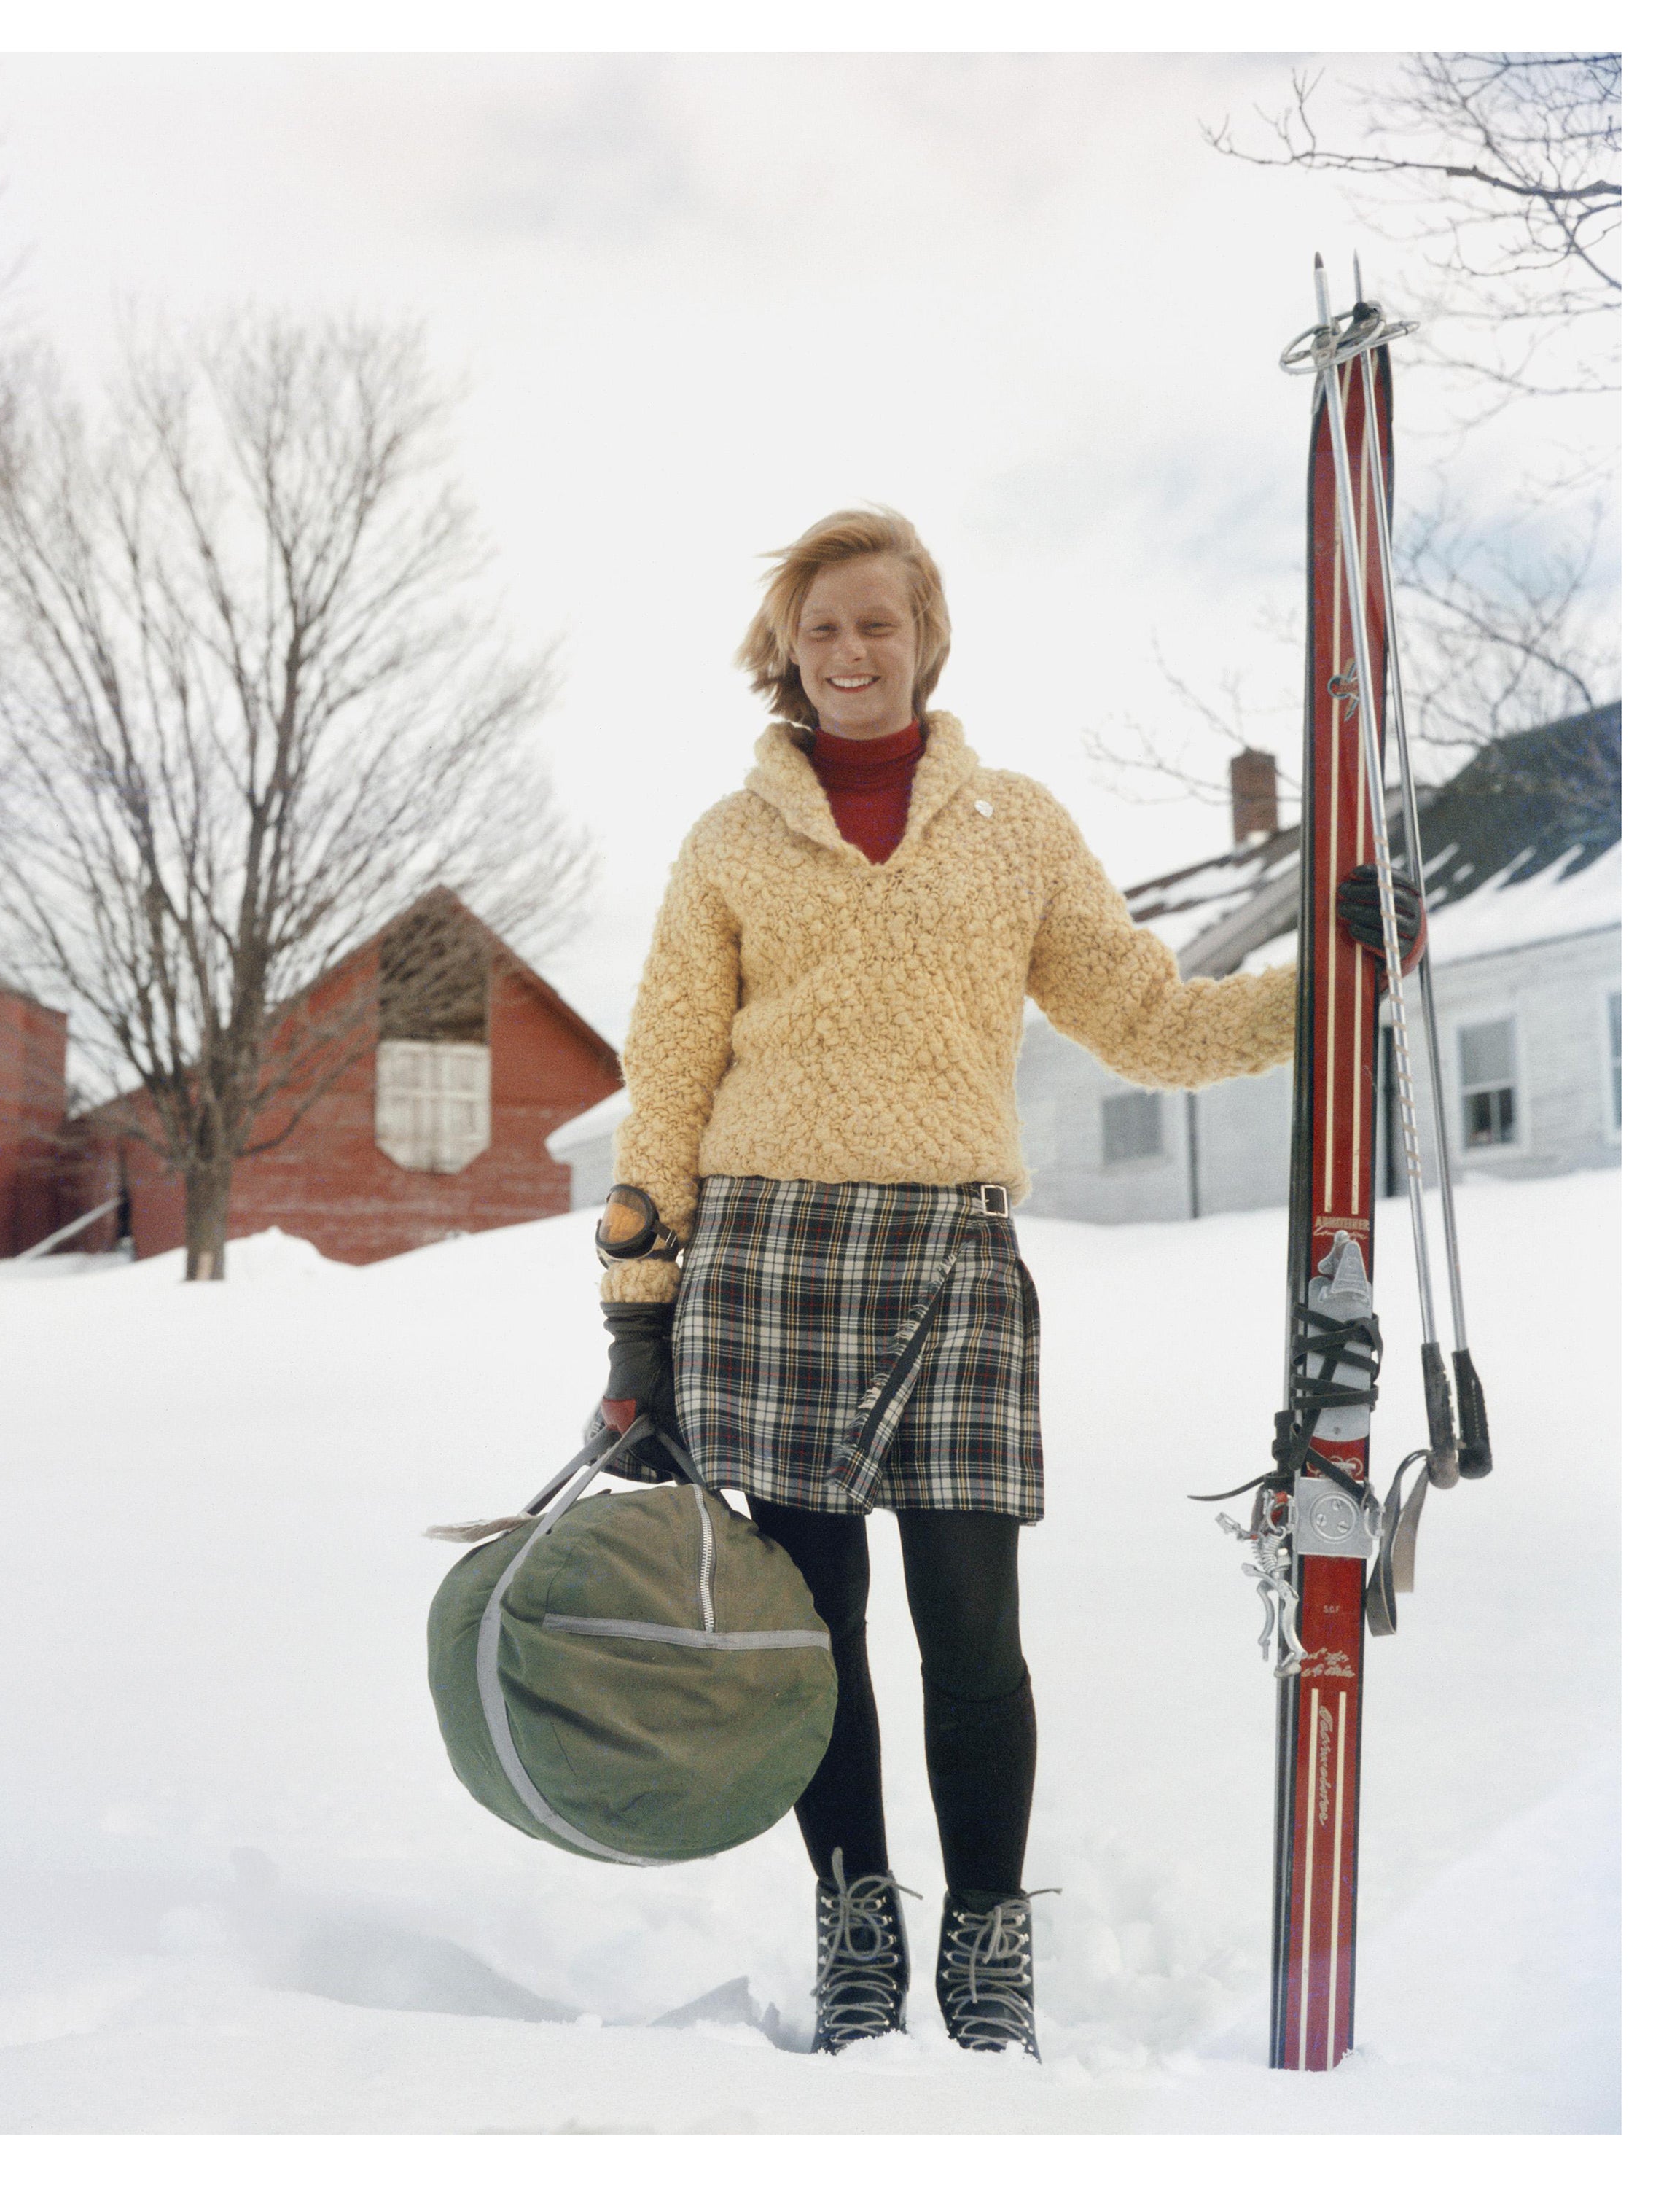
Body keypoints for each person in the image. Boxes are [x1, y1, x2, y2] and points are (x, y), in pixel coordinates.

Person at [591, 507, 1420, 2059]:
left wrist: (1332, 975)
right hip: (766, 1262)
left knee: (971, 1635)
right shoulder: (725, 843)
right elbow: (669, 1081)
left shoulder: (1017, 828)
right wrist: (638, 1318)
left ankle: (985, 1942)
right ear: (788, 648)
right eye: (823, 627)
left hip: (952, 1257)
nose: (852, 652)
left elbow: (1151, 1018)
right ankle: (855, 1927)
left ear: (927, 637)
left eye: (879, 624)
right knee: (812, 1637)